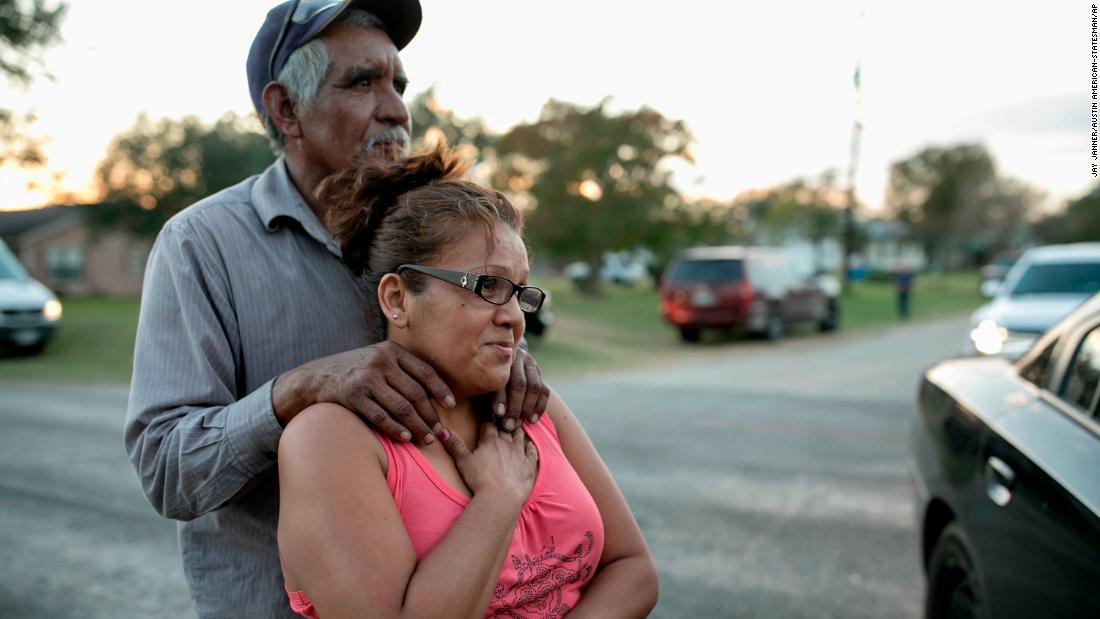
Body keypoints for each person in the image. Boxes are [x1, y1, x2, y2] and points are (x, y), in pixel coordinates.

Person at [123, 2, 547, 616]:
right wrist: (299, 390)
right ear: (285, 109)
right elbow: (167, 471)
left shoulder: (434, 233)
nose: (397, 109)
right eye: (361, 82)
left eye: (398, 84)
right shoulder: (200, 245)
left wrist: (512, 366)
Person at [277, 142, 659, 618]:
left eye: (520, 293)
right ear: (398, 298)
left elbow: (633, 568)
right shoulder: (331, 440)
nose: (514, 318)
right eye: (489, 287)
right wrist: (498, 498)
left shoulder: (531, 406)